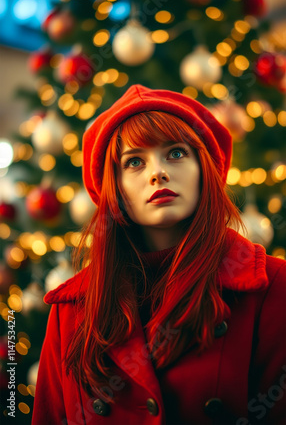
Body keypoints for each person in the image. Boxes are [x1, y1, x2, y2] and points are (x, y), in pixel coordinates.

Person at [32, 84, 286, 425]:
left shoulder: (271, 286)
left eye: (176, 153)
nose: (157, 172)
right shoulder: (71, 310)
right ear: (115, 188)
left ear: (205, 168)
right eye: (134, 161)